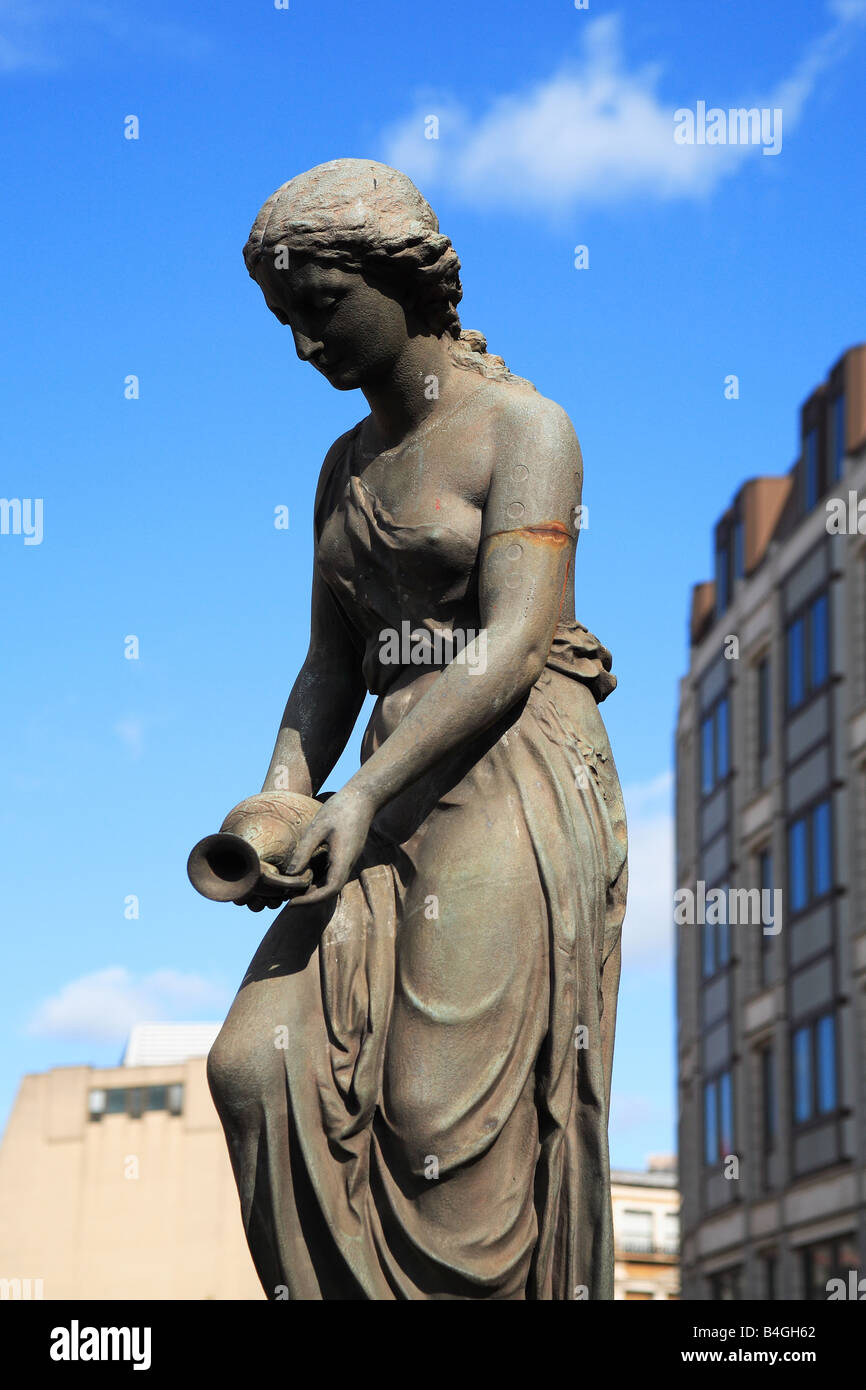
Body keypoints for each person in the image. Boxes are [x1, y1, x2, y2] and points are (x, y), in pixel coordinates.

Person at [207, 159, 628, 1300]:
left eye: (320, 307)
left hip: (507, 767)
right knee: (255, 1063)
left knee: (441, 1117)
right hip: (377, 797)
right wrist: (283, 799)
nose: (303, 345)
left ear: (401, 277)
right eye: (283, 319)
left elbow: (508, 641)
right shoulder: (341, 469)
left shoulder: (524, 428)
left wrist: (359, 790)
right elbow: (328, 664)